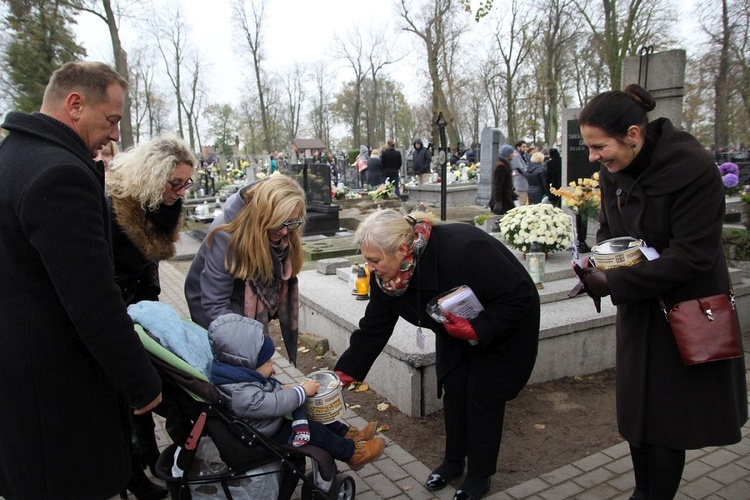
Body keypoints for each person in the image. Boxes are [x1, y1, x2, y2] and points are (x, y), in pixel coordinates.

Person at [574, 83, 747, 499]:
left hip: (687, 308)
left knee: (670, 417)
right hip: (639, 306)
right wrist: (596, 261)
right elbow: (609, 228)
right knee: (637, 410)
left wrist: (614, 282)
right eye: (590, 148)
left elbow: (692, 256)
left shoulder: (692, 169)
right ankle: (642, 491)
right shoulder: (612, 169)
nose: (594, 157)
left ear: (633, 134)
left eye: (599, 147)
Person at [0, 61, 162, 499]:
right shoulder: (60, 174)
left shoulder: (12, 156)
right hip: (58, 391)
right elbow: (91, 297)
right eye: (110, 120)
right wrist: (141, 382)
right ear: (75, 105)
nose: (114, 134)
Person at [333, 209, 540, 500]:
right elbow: (374, 328)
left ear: (403, 249)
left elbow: (521, 296)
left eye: (374, 260)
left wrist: (478, 328)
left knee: (482, 397)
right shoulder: (388, 278)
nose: (370, 267)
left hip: (500, 329)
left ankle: (480, 475)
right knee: (454, 388)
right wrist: (345, 372)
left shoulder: (464, 248)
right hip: (454, 330)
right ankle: (453, 462)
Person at [106, 134, 196, 498]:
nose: (182, 192)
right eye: (176, 183)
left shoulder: (157, 207)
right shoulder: (114, 211)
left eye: (187, 183)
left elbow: (150, 263)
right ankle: (133, 472)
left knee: (147, 391)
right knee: (128, 397)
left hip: (140, 305)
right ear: (152, 177)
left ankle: (149, 454)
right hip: (114, 311)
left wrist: (152, 309)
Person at [207, 313, 385, 469]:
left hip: (269, 420)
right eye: (268, 362)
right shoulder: (240, 392)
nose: (273, 366)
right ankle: (352, 454)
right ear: (251, 366)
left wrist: (281, 389)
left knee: (313, 413)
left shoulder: (239, 378)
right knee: (315, 430)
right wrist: (300, 391)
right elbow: (271, 403)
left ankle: (350, 435)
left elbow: (264, 393)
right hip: (268, 432)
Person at [185, 174, 306, 365]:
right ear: (263, 215)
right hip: (213, 307)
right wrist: (248, 346)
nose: (284, 232)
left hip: (240, 299)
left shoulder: (280, 230)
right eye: (279, 223)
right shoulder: (227, 234)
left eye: (291, 223)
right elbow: (214, 305)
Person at [489, 145, 516, 215]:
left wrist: (513, 194)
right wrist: (498, 202)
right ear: (507, 154)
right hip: (504, 200)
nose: (513, 155)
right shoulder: (501, 166)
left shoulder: (505, 165)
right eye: (512, 153)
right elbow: (498, 185)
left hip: (506, 198)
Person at [511, 140, 529, 205]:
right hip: (521, 184)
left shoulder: (521, 155)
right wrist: (529, 174)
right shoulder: (516, 156)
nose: (525, 148)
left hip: (523, 184)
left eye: (525, 147)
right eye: (523, 147)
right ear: (518, 147)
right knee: (521, 203)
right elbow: (520, 169)